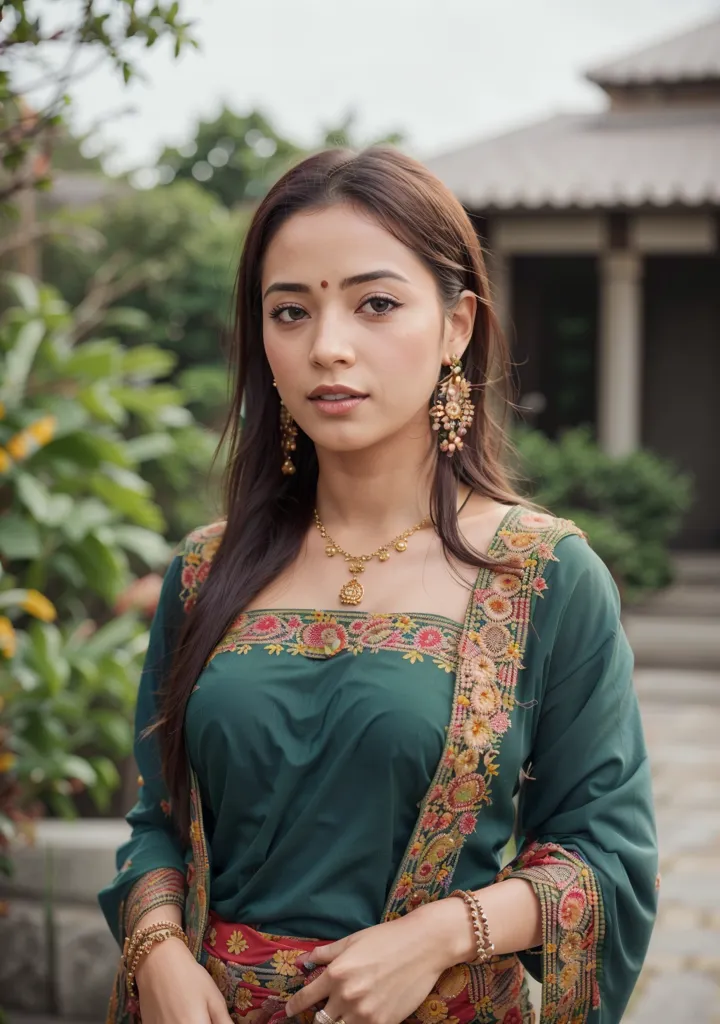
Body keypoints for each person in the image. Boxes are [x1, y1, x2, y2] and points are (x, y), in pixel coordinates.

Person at [99, 147, 658, 1024]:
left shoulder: (541, 575)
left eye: (377, 304)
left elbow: (605, 855)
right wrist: (159, 951)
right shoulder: (207, 572)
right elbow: (158, 821)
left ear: (456, 325)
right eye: (291, 311)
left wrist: (442, 934)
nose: (328, 345)